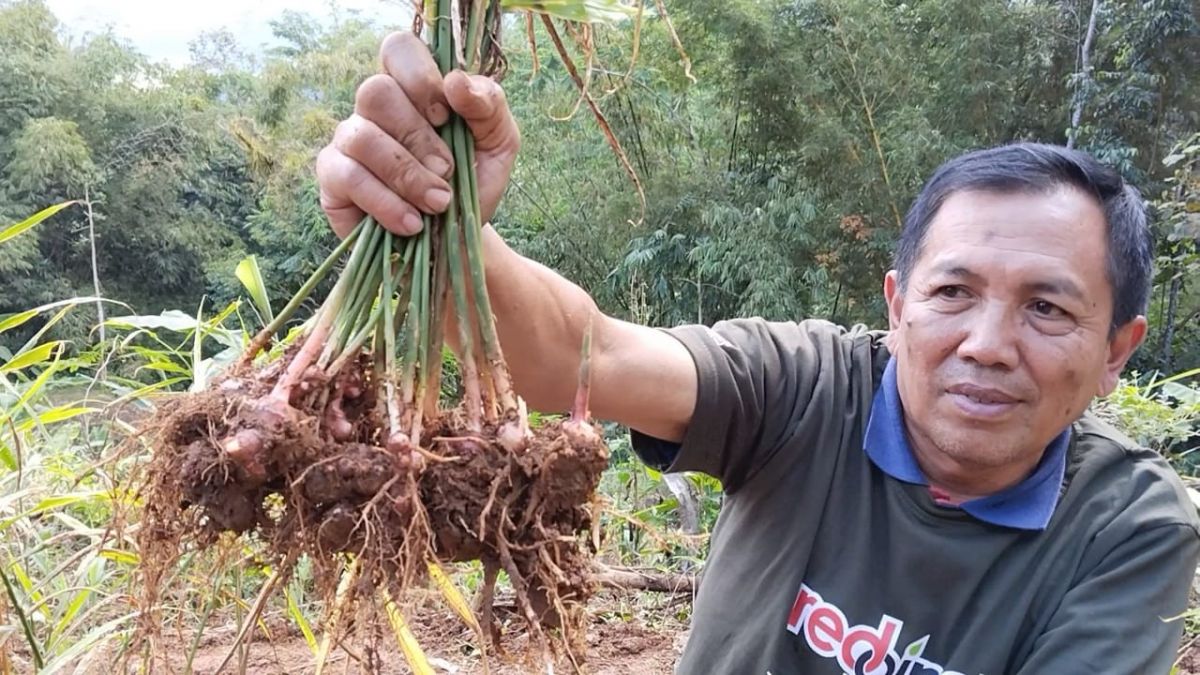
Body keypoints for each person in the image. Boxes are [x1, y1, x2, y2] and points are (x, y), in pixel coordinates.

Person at [315, 32, 1200, 675]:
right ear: (896, 307)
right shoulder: (806, 388)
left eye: (1046, 308)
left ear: (1118, 349)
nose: (986, 345)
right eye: (952, 293)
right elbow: (584, 355)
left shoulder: (1128, 526)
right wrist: (448, 228)